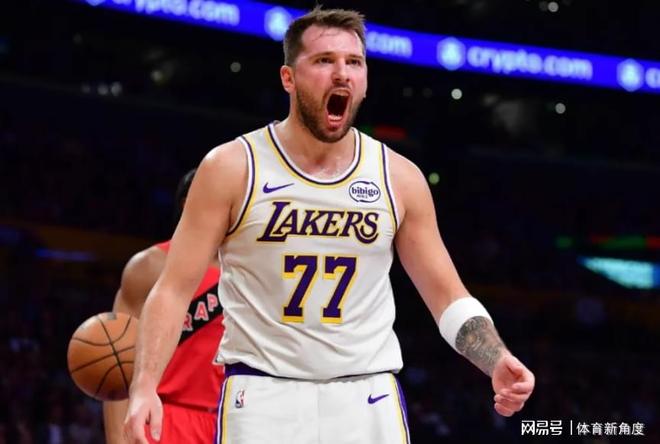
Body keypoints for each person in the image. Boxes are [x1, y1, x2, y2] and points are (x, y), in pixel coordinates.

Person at [125, 7, 535, 444]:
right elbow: (173, 289)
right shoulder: (231, 167)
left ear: (365, 80)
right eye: (324, 60)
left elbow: (447, 297)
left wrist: (496, 358)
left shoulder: (399, 177)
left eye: (353, 62)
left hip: (367, 396)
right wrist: (145, 386)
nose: (341, 73)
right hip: (263, 394)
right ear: (288, 78)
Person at [105, 169, 224, 443]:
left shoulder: (255, 269)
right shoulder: (149, 266)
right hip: (164, 419)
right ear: (187, 203)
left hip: (236, 419)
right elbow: (115, 365)